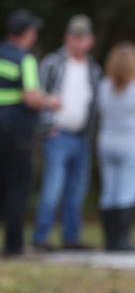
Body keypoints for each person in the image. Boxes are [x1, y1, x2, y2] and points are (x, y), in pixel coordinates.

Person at [32, 15, 102, 251]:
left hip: (82, 136)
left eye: (83, 38)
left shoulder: (93, 69)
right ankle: (40, 237)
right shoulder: (53, 63)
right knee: (52, 187)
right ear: (67, 38)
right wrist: (45, 128)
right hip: (57, 135)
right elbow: (38, 94)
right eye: (74, 37)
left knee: (77, 190)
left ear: (90, 41)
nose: (78, 43)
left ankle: (71, 238)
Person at [0, 10, 61, 257]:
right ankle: (14, 246)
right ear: (27, 34)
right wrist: (50, 102)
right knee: (18, 188)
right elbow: (31, 97)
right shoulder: (25, 59)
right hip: (18, 133)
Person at [96, 42, 135, 251]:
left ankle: (110, 239)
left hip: (107, 143)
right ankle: (122, 240)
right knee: (127, 191)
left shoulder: (104, 86)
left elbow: (98, 110)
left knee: (109, 191)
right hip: (132, 145)